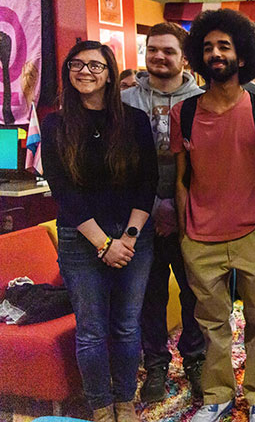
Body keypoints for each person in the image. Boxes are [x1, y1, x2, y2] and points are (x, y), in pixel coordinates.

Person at [171, 8, 255, 422]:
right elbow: (182, 179)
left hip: (253, 231)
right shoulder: (182, 113)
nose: (216, 53)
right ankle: (217, 395)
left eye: (225, 46)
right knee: (211, 323)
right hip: (200, 236)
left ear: (242, 54)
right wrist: (185, 232)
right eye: (208, 47)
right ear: (199, 57)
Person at [41, 40, 158, 422]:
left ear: (110, 73)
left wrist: (128, 238)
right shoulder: (55, 124)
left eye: (95, 65)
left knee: (126, 325)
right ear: (67, 72)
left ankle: (125, 402)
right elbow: (64, 192)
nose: (85, 72)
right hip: (81, 238)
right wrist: (104, 243)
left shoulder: (134, 121)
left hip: (133, 235)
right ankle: (101, 408)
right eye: (77, 65)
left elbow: (148, 183)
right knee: (91, 330)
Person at [121, 22, 206, 403]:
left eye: (168, 51)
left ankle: (196, 360)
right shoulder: (124, 102)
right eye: (153, 49)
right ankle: (155, 365)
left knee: (194, 294)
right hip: (138, 217)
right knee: (148, 295)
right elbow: (119, 164)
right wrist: (154, 206)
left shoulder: (203, 100)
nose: (159, 56)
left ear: (183, 57)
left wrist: (177, 203)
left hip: (191, 217)